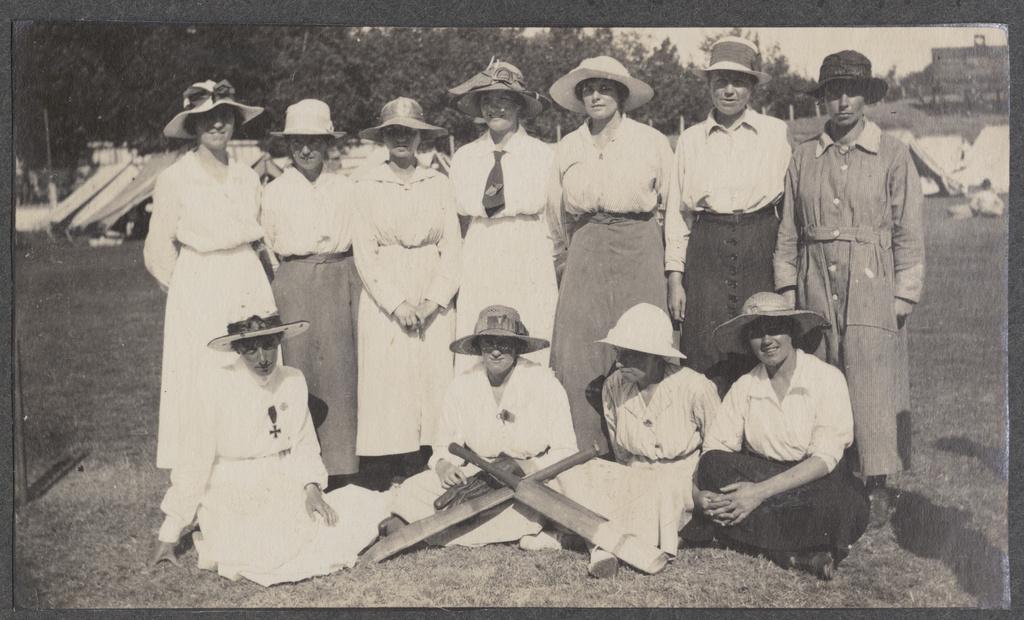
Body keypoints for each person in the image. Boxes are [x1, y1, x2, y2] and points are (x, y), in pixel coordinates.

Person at [390, 305, 659, 577]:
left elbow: (566, 450)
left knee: (572, 491)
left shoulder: (544, 383)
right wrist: (444, 467)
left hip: (535, 480)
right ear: (479, 347)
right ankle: (535, 530)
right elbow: (442, 447)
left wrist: (526, 466)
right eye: (488, 343)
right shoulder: (462, 386)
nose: (495, 351)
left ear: (517, 347)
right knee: (413, 490)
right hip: (479, 478)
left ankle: (578, 539)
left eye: (504, 344)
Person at [774, 50, 925, 525]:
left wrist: (904, 292)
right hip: (815, 279)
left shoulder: (894, 154)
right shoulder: (803, 157)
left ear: (867, 97)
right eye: (832, 92)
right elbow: (789, 233)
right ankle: (830, 475)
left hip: (872, 280)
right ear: (821, 98)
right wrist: (785, 289)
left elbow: (909, 230)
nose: (841, 102)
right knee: (823, 375)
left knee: (870, 376)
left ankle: (877, 482)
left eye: (851, 92)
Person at [150, 307, 390, 586]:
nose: (262, 358)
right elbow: (195, 460)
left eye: (268, 346)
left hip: (281, 477)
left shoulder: (292, 380)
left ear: (278, 343)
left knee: (350, 512)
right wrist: (170, 531)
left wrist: (311, 488)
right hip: (231, 487)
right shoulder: (215, 384)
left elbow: (304, 443)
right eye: (251, 350)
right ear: (237, 349)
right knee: (268, 552)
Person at [682, 292, 869, 580]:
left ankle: (744, 537)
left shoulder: (827, 378)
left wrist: (757, 494)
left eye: (774, 329)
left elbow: (824, 459)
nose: (767, 340)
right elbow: (715, 449)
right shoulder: (745, 385)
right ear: (747, 342)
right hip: (763, 474)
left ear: (792, 331)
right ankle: (796, 550)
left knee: (842, 501)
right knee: (713, 466)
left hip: (814, 481)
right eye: (756, 333)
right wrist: (700, 495)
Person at [546, 56, 678, 454]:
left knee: (644, 343)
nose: (595, 95)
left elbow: (672, 208)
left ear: (621, 94)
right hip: (585, 247)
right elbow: (555, 212)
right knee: (580, 350)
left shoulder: (651, 141)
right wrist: (565, 257)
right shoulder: (569, 146)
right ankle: (587, 451)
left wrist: (674, 272)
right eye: (587, 89)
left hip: (639, 245)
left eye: (604, 88)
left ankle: (646, 447)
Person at [144, 79, 277, 471]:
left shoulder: (248, 177)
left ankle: (253, 469)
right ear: (192, 126)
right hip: (200, 285)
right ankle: (200, 480)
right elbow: (157, 252)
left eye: (225, 117)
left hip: (247, 280)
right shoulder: (175, 179)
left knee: (252, 369)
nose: (217, 125)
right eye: (207, 119)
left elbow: (260, 235)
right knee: (202, 377)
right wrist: (190, 290)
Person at [664, 36, 792, 395]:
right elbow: (678, 212)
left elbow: (790, 207)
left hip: (759, 245)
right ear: (708, 86)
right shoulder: (690, 139)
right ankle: (708, 444)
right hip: (706, 253)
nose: (729, 91)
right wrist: (676, 278)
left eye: (738, 82)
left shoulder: (774, 133)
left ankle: (761, 444)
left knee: (761, 344)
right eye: (720, 82)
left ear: (752, 87)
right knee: (704, 352)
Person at [351, 97, 462, 490]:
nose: (401, 139)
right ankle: (387, 469)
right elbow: (364, 251)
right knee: (390, 377)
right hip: (388, 290)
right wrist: (396, 303)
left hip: (431, 286)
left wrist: (434, 300)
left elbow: (452, 244)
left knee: (433, 375)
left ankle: (430, 463)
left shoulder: (438, 182)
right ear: (384, 138)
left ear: (420, 137)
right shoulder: (365, 184)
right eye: (393, 132)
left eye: (408, 132)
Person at [261, 99, 361, 489]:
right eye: (298, 142)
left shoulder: (345, 187)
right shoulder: (274, 191)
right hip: (295, 281)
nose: (306, 150)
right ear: (289, 146)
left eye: (315, 142)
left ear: (327, 144)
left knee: (341, 371)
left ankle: (344, 466)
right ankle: (303, 465)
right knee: (298, 369)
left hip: (340, 277)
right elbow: (268, 246)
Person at [447, 59, 558, 372]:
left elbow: (554, 220)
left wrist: (542, 258)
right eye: (488, 102)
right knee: (480, 331)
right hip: (481, 248)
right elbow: (458, 220)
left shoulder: (543, 155)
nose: (496, 109)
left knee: (530, 332)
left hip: (528, 249)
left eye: (505, 101)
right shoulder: (464, 157)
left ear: (520, 107)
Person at [597, 303, 720, 554]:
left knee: (654, 505)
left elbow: (717, 449)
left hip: (684, 481)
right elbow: (620, 451)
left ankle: (621, 546)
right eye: (618, 352)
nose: (619, 363)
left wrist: (698, 492)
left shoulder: (695, 387)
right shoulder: (613, 387)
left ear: (656, 355)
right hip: (635, 477)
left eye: (630, 354)